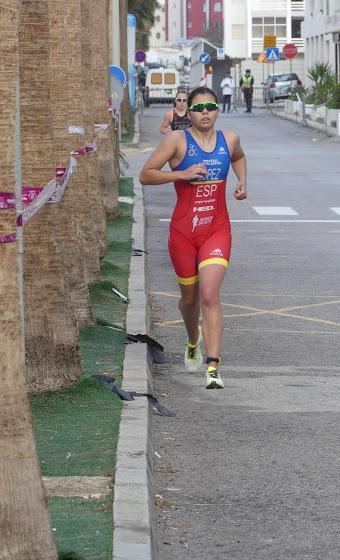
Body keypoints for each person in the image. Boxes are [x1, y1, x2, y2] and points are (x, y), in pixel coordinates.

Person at [140, 87, 247, 389]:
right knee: (190, 299)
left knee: (210, 294)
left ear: (217, 110)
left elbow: (239, 157)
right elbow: (146, 174)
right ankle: (191, 341)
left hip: (216, 229)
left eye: (210, 107)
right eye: (199, 108)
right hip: (183, 234)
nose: (204, 112)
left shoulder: (230, 139)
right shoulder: (177, 140)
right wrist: (180, 174)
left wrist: (242, 180)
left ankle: (213, 366)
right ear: (190, 112)